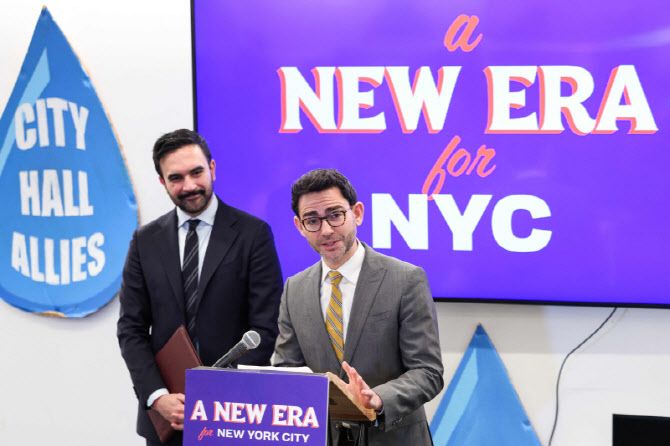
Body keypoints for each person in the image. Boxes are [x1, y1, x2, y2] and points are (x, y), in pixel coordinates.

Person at [117, 129, 283, 446]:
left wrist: (218, 397)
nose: (190, 185)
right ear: (162, 182)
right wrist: (157, 397)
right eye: (176, 178)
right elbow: (131, 329)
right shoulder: (144, 241)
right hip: (168, 419)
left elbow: (267, 327)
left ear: (212, 168)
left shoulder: (253, 235)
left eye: (196, 172)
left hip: (234, 416)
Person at [273, 169, 443, 446]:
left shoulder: (405, 279)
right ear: (299, 226)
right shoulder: (295, 288)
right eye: (312, 220)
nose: (326, 230)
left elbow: (427, 371)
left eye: (335, 215)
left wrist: (378, 398)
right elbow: (287, 369)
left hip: (392, 438)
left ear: (357, 213)